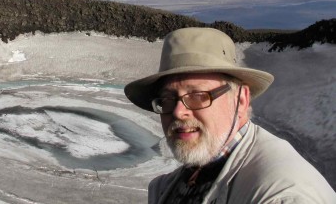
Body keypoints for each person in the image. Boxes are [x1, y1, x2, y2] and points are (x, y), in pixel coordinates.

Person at [124, 27, 335, 203]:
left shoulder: (280, 195)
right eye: (168, 99)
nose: (179, 111)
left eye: (198, 95)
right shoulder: (187, 177)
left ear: (241, 99)